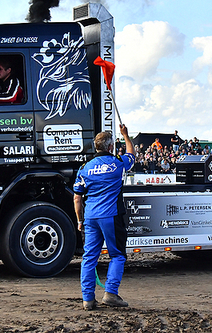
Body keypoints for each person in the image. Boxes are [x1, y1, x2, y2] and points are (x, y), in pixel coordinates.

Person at [73, 124, 135, 311]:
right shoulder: (118, 162)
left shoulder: (84, 168)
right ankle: (110, 294)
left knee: (89, 257)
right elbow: (132, 155)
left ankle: (87, 299)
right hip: (111, 216)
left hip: (91, 217)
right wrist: (125, 135)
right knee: (117, 255)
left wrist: (79, 220)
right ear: (110, 147)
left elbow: (77, 197)